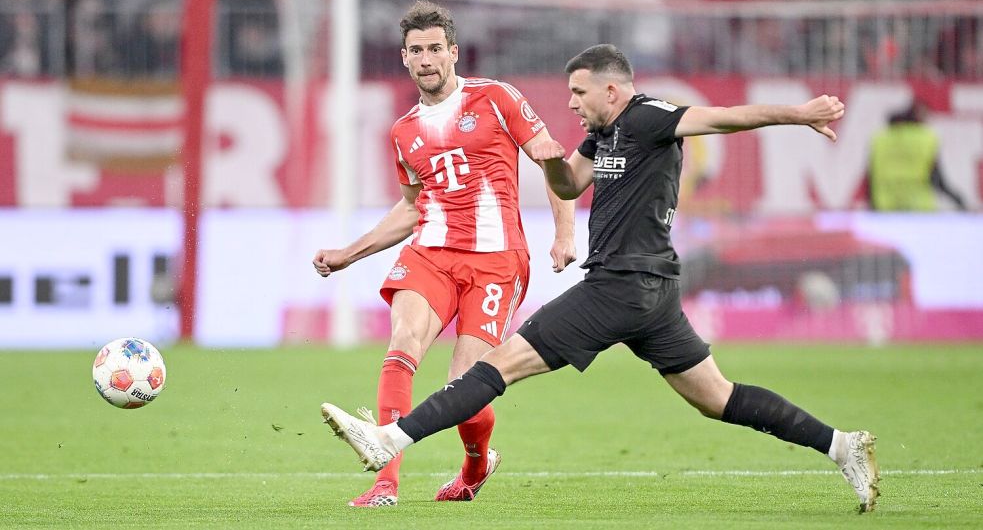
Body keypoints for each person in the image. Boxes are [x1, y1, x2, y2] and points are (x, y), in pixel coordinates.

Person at [319, 44, 882, 514]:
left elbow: (729, 116)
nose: (571, 103)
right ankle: (841, 446)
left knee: (494, 367)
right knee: (717, 397)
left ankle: (389, 439)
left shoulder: (649, 116)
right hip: (651, 292)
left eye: (579, 94)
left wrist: (799, 113)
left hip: (619, 286)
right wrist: (544, 156)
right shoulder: (602, 137)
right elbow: (568, 185)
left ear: (612, 91)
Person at [312, 0, 576, 507]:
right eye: (417, 50)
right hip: (431, 252)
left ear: (453, 53)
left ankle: (476, 465)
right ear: (405, 59)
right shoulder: (404, 132)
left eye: (436, 48)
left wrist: (564, 234)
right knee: (403, 343)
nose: (427, 58)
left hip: (497, 262)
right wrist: (350, 253)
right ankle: (384, 483)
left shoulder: (496, 98)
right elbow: (414, 209)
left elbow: (552, 162)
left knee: (466, 386)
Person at [866, 101, 967, 211]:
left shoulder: (880, 139)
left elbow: (870, 176)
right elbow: (937, 179)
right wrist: (958, 200)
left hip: (885, 207)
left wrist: (872, 206)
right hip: (919, 208)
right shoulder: (927, 139)